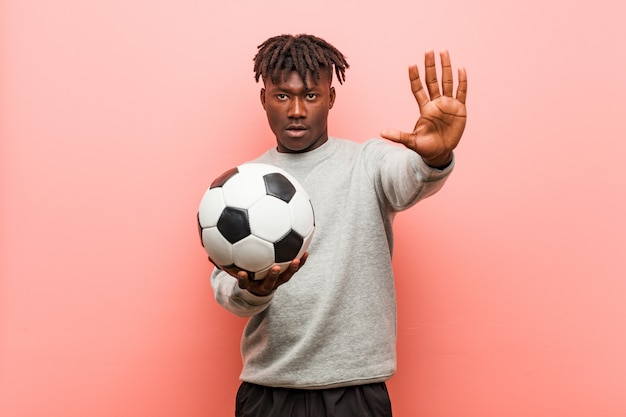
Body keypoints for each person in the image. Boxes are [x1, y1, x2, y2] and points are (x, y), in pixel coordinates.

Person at [210, 33, 468, 417]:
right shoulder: (239, 188)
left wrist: (436, 156)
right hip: (269, 391)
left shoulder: (367, 162)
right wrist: (255, 291)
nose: (296, 109)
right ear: (264, 99)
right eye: (282, 95)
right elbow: (228, 289)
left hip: (356, 391)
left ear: (331, 98)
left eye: (311, 95)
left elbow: (408, 178)